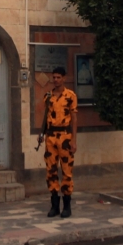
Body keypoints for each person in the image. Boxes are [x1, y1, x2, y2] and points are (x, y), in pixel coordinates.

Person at [40, 66, 77, 218]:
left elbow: (74, 118)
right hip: (50, 137)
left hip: (65, 137)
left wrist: (74, 139)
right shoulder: (47, 96)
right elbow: (45, 118)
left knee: (67, 171)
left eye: (58, 77)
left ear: (64, 78)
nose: (55, 80)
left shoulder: (70, 96)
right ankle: (54, 205)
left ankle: (67, 206)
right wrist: (41, 134)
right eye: (54, 77)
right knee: (51, 171)